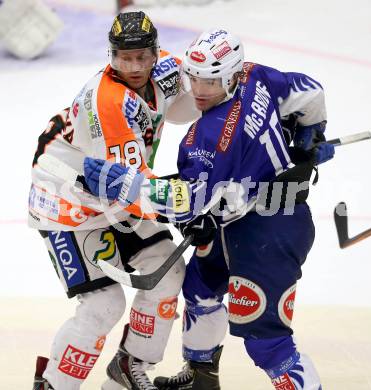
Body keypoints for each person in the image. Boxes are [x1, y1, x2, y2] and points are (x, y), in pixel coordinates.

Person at [83, 28, 335, 389]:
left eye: (211, 82)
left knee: (268, 342)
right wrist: (313, 131)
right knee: (201, 286)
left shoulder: (210, 135)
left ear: (232, 74)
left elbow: (189, 201)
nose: (200, 90)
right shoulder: (255, 74)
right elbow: (308, 90)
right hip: (235, 218)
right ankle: (200, 376)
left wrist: (128, 186)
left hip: (268, 232)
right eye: (195, 78)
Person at [29, 11, 199, 390]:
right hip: (66, 202)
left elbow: (197, 99)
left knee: (168, 274)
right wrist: (190, 204)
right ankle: (54, 385)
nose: (134, 66)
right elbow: (132, 190)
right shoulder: (107, 104)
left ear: (156, 52)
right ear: (111, 56)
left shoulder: (167, 68)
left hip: (114, 193)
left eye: (142, 56)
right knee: (103, 305)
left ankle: (128, 369)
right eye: (124, 57)